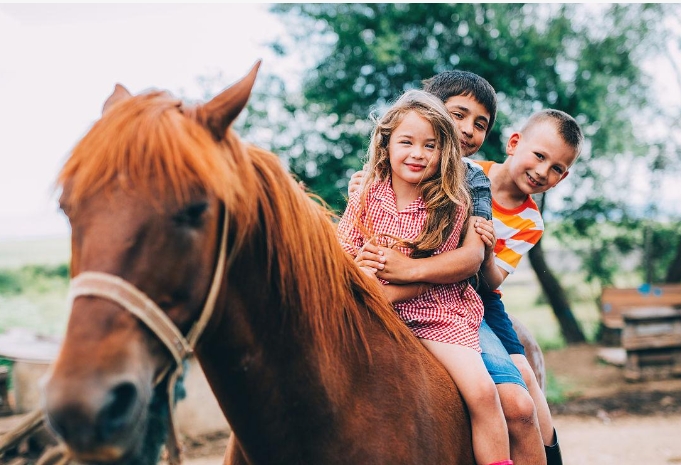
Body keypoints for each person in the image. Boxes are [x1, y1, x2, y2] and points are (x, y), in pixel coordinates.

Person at [349, 71, 578, 465]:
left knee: (521, 394)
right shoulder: (405, 172)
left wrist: (406, 271)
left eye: (479, 124)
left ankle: (550, 455)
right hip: (413, 287)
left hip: (471, 299)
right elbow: (357, 231)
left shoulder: (470, 183)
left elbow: (478, 271)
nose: (467, 130)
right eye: (458, 116)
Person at [337, 89, 513, 465]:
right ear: (385, 145)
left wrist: (386, 292)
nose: (417, 153)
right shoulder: (365, 195)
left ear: (443, 153)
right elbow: (345, 250)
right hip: (372, 302)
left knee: (483, 393)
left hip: (437, 313)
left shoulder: (451, 203)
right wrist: (360, 271)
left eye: (430, 146)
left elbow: (450, 273)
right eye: (407, 142)